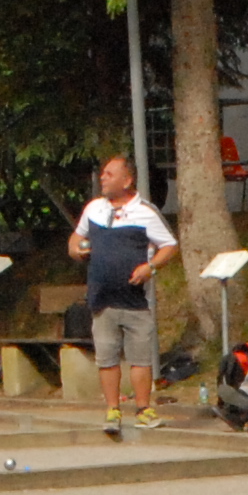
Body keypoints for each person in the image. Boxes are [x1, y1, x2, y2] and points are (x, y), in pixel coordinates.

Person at [72, 154, 180, 435]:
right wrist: (76, 249)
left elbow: (169, 245)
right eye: (103, 173)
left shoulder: (145, 212)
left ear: (127, 180)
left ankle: (144, 409)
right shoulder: (94, 209)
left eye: (109, 174)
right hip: (102, 299)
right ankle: (112, 410)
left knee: (140, 357)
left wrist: (150, 268)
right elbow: (76, 237)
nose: (103, 178)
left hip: (135, 301)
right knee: (106, 358)